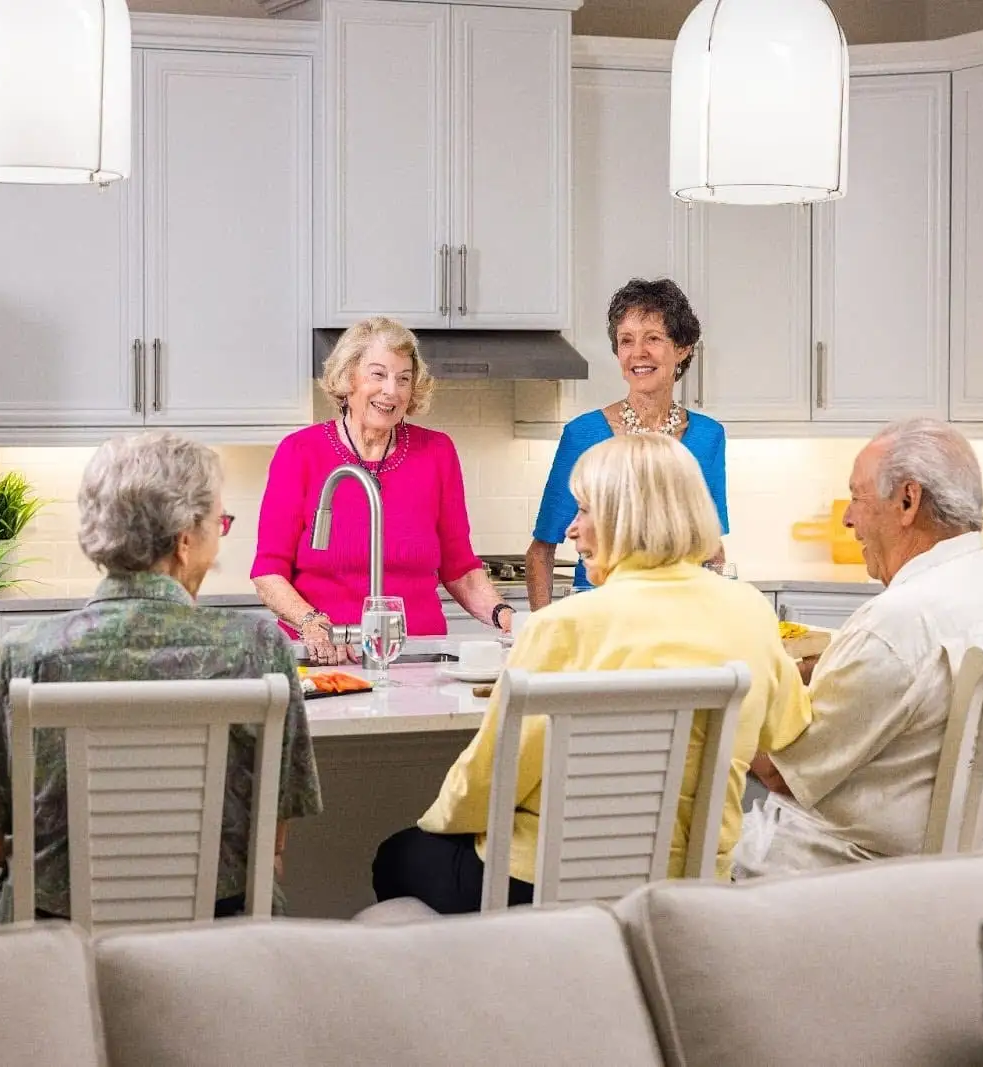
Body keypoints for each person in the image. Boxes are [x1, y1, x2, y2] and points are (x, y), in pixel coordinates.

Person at [370, 434, 809, 913]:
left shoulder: (564, 625)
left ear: (627, 517)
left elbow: (495, 777)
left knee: (398, 855)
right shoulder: (748, 608)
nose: (572, 530)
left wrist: (445, 820)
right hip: (692, 880)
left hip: (548, 881)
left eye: (584, 511)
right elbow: (786, 730)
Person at [0, 431, 322, 927]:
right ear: (185, 540)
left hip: (58, 925)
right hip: (221, 920)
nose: (219, 536)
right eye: (219, 524)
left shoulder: (21, 654)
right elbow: (273, 838)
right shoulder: (259, 648)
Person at [735, 418, 983, 878]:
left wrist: (725, 705)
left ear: (908, 500)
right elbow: (914, 693)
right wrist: (824, 670)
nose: (847, 518)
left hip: (839, 876)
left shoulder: (895, 626)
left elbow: (779, 773)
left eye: (857, 498)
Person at [252, 316, 512, 665]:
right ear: (348, 379)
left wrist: (506, 617)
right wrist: (311, 622)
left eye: (403, 379)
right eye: (378, 374)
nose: (392, 390)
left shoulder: (436, 452)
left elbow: (460, 569)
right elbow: (269, 571)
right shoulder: (300, 453)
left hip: (420, 656)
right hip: (327, 658)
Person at [526, 278, 729, 609]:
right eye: (626, 341)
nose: (638, 353)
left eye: (653, 338)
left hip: (680, 612)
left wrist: (718, 614)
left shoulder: (708, 437)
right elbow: (541, 550)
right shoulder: (584, 434)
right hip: (598, 614)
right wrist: (542, 632)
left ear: (683, 348)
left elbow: (711, 549)